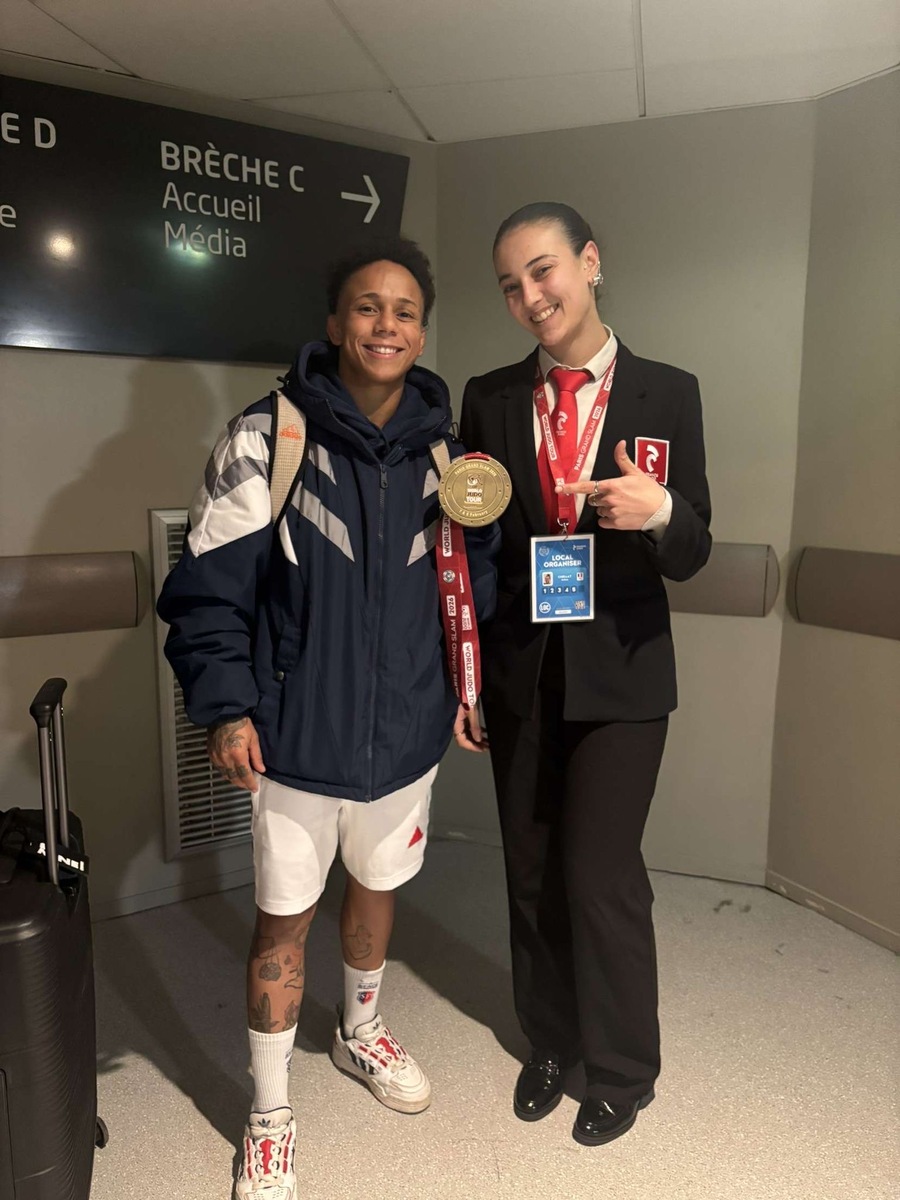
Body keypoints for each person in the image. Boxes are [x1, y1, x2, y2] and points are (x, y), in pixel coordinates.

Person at [157, 236, 498, 1200]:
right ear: (335, 323)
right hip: (295, 739)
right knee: (283, 920)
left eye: (404, 310)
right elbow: (209, 591)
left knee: (379, 888)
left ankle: (359, 1030)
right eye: (367, 306)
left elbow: (474, 588)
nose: (386, 324)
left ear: (422, 331)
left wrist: (470, 688)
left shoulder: (451, 456)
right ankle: (269, 1112)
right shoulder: (267, 439)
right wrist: (228, 708)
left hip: (409, 735)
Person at [459, 202, 711, 1147]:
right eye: (510, 285)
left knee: (599, 874)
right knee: (528, 869)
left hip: (624, 675)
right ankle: (551, 1042)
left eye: (544, 270)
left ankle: (622, 1068)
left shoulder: (668, 392)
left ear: (590, 262)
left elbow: (695, 549)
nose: (530, 296)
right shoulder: (489, 398)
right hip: (523, 669)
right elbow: (475, 552)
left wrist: (660, 512)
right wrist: (468, 677)